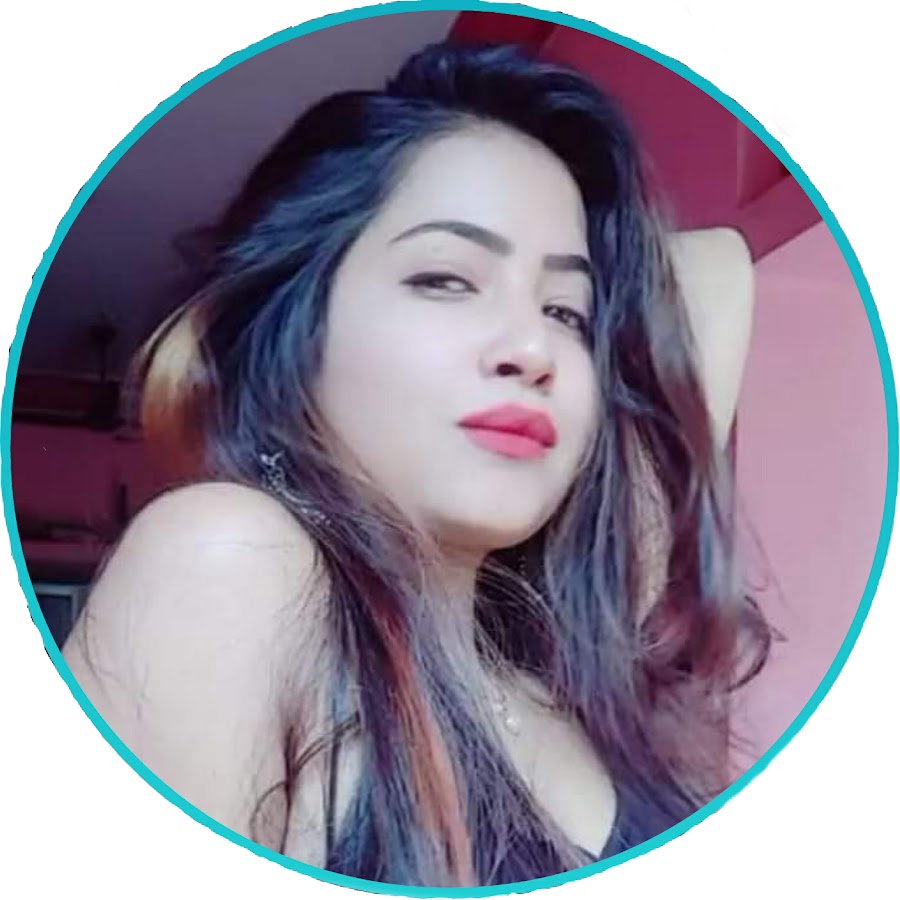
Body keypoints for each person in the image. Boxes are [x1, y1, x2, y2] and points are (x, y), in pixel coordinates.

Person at [62, 42, 769, 887]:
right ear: (297, 328)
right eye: (445, 279)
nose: (533, 348)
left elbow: (719, 268)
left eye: (567, 312)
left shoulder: (578, 674)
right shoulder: (230, 558)